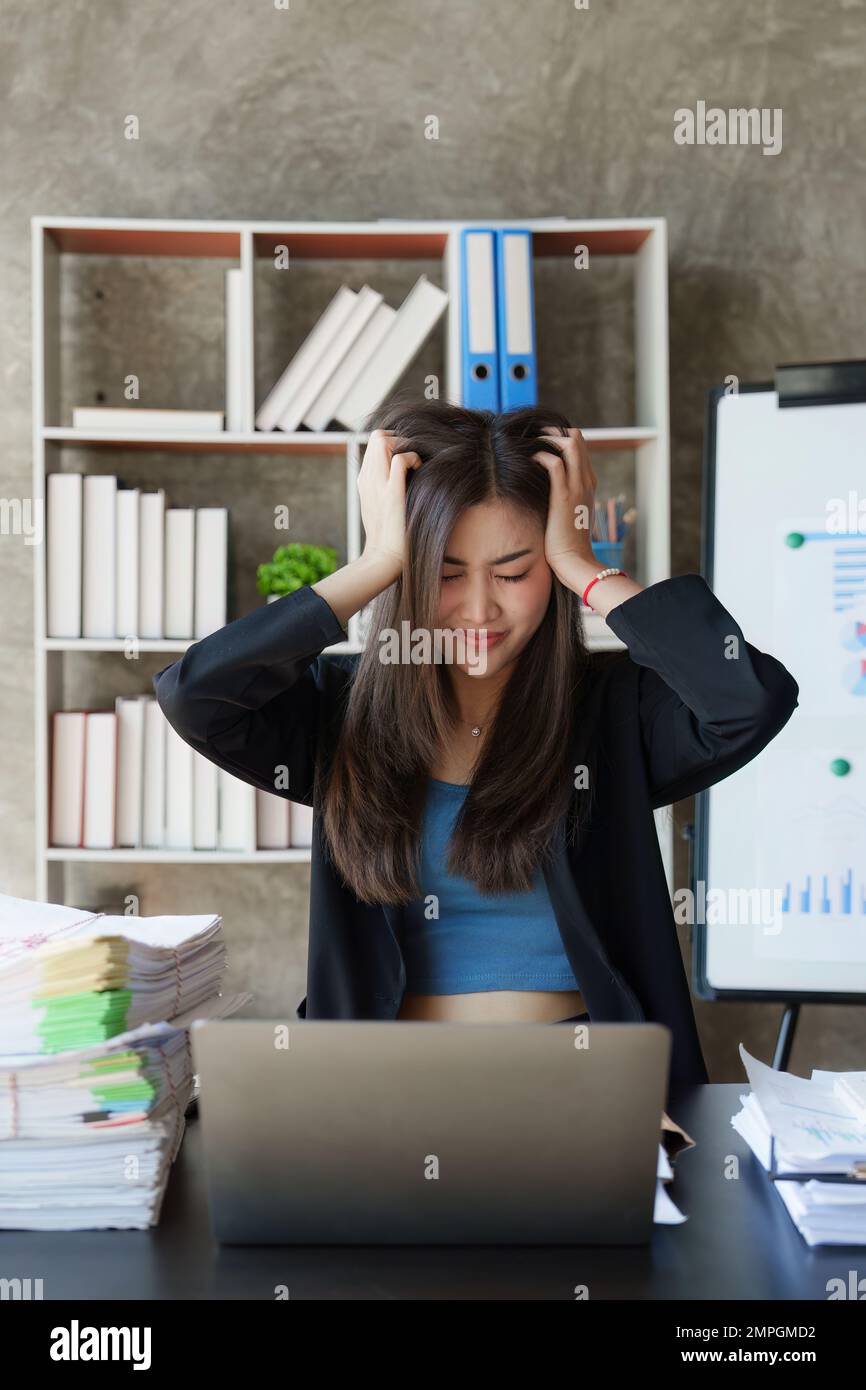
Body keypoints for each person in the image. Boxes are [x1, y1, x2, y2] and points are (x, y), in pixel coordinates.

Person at [153, 399, 799, 1087]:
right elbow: (196, 695)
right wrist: (375, 562)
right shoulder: (339, 712)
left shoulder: (613, 709)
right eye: (447, 572)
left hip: (582, 1080)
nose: (480, 608)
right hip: (381, 1084)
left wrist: (585, 565)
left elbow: (750, 699)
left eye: (516, 572)